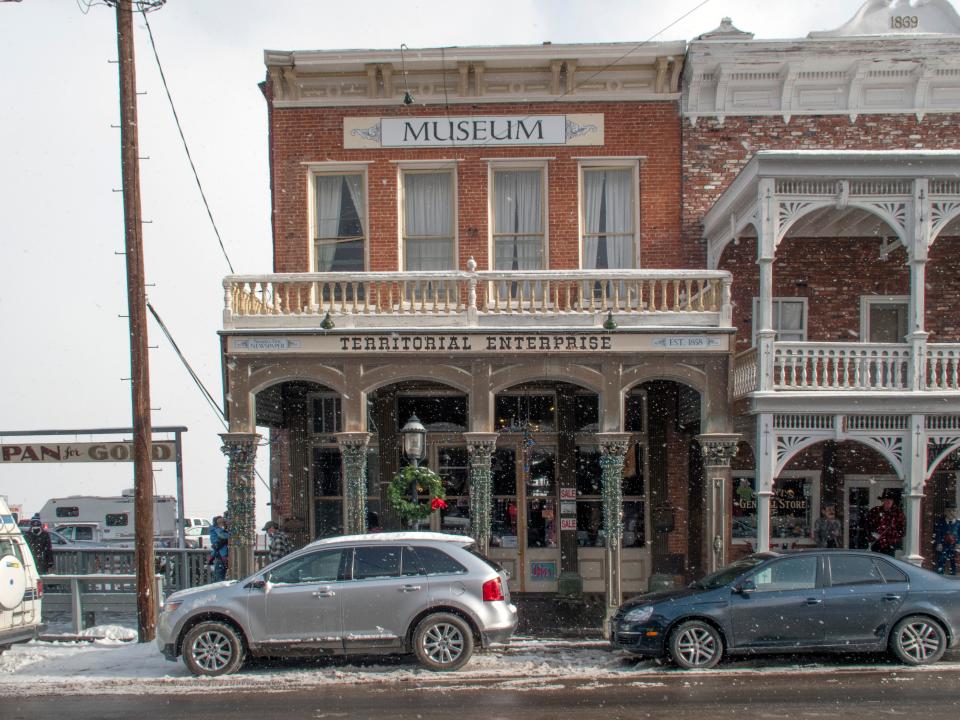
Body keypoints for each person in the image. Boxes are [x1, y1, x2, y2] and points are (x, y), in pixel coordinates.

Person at [866, 489, 906, 557]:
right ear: (882, 501)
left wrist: (892, 537)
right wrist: (873, 535)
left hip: (890, 546)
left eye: (890, 500)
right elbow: (867, 526)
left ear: (893, 501)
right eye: (886, 500)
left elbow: (902, 530)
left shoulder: (898, 513)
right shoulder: (875, 511)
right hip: (876, 544)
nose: (888, 502)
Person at [934, 505, 960, 575]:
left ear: (957, 512)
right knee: (941, 560)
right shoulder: (941, 523)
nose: (951, 513)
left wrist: (958, 543)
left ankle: (953, 574)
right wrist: (939, 543)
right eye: (949, 511)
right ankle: (940, 574)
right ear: (945, 512)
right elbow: (938, 533)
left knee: (954, 561)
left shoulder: (958, 523)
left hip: (954, 546)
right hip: (943, 545)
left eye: (953, 511)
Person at [208, 515, 229, 582]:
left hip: (217, 550)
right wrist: (229, 534)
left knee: (218, 574)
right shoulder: (217, 529)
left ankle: (211, 559)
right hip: (219, 552)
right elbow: (222, 536)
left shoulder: (215, 529)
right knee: (219, 576)